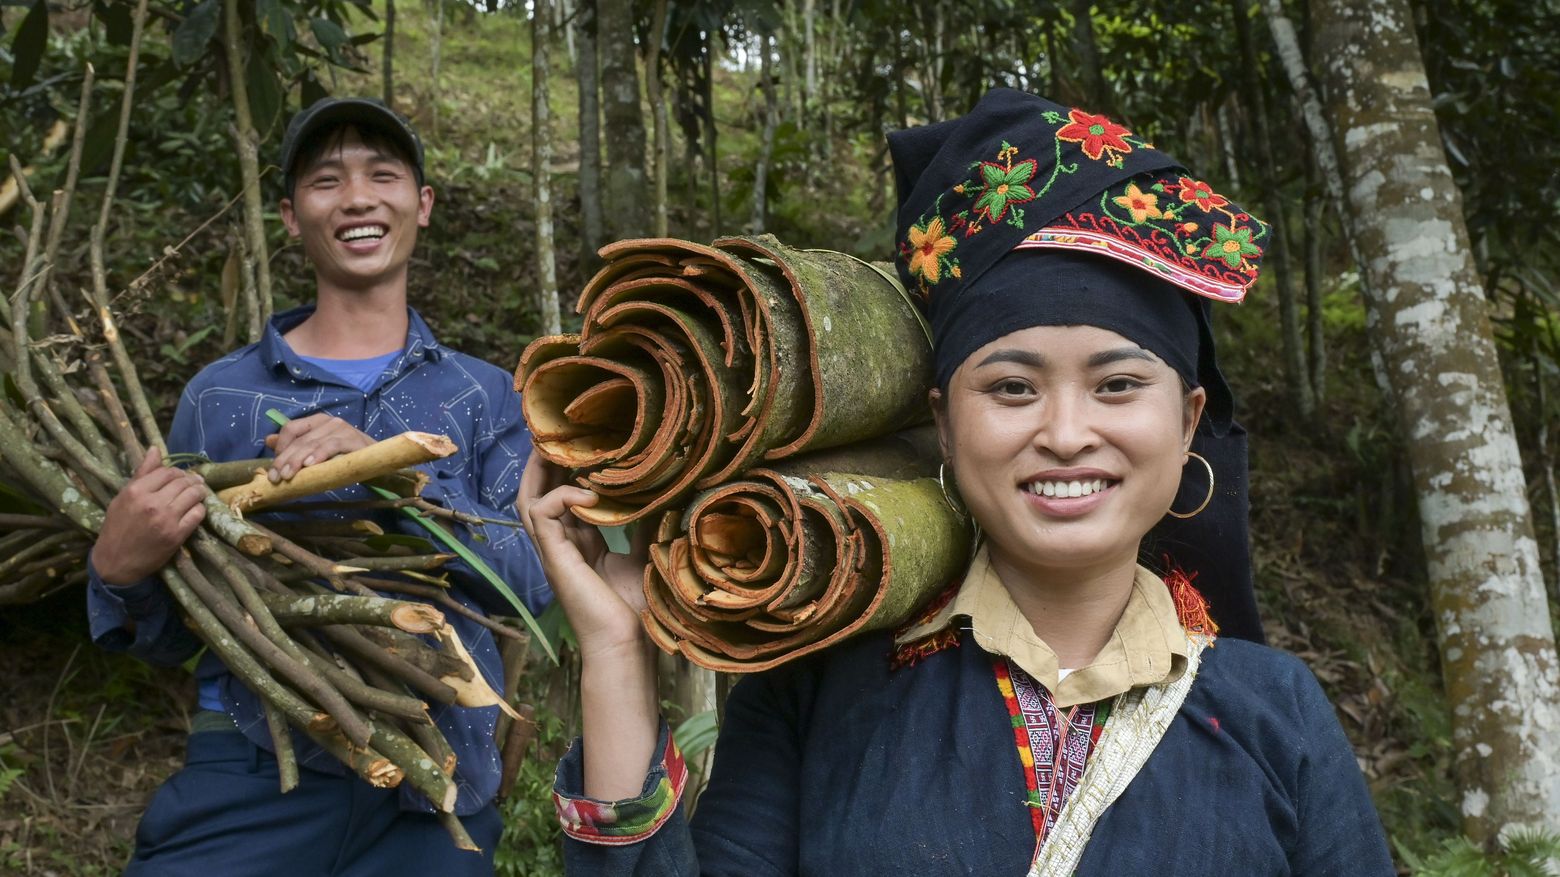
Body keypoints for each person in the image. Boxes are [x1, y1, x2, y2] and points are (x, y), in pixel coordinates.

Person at [520, 88, 1395, 874]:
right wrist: (614, 653)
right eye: (1011, 387)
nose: (1064, 433)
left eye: (1118, 384)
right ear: (943, 421)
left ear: (1189, 418)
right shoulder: (818, 690)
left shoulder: (1276, 711)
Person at [86, 98, 550, 875]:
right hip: (253, 765)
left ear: (422, 205)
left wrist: (398, 477)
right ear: (292, 217)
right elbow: (174, 633)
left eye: (384, 174)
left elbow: (530, 586)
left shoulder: (487, 396)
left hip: (435, 791)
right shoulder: (222, 396)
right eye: (327, 180)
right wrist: (118, 572)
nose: (358, 197)